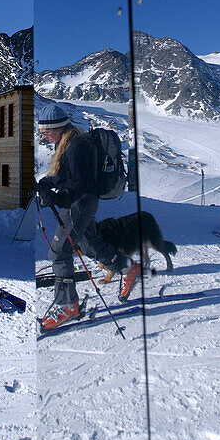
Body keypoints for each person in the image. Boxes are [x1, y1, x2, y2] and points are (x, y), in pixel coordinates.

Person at [36, 103, 140, 330]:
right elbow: (66, 175)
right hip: (81, 203)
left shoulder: (76, 147)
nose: (43, 136)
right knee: (88, 242)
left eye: (46, 132)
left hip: (80, 205)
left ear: (58, 127)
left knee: (59, 253)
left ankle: (68, 306)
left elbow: (81, 184)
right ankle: (128, 268)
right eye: (42, 132)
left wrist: (57, 199)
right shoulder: (67, 143)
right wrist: (46, 183)